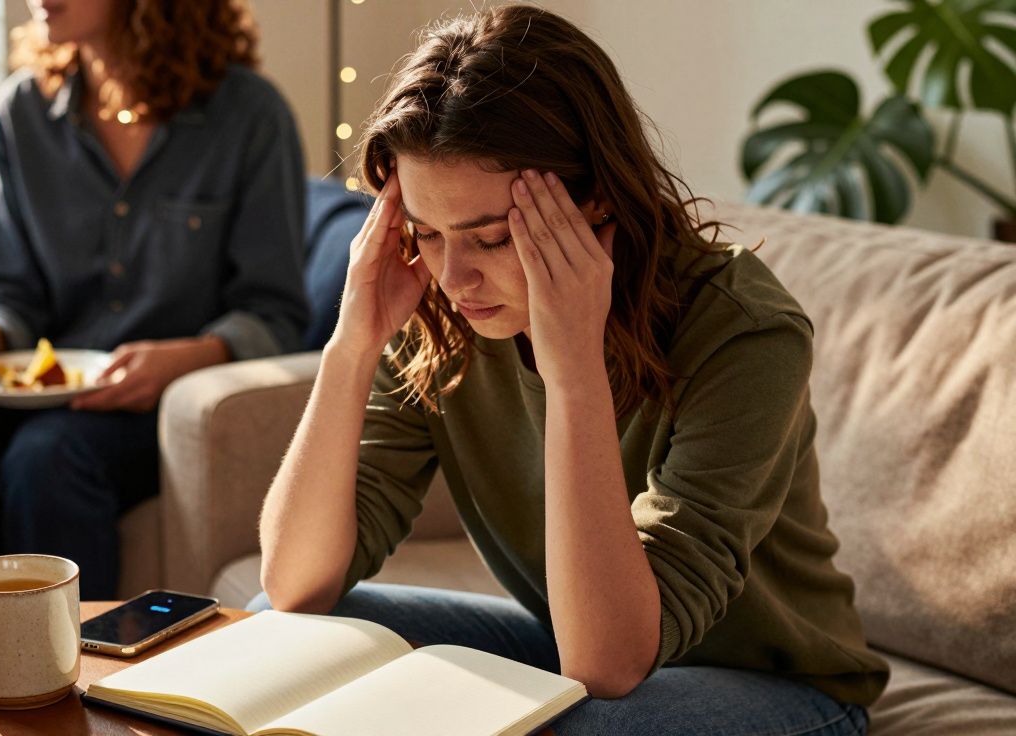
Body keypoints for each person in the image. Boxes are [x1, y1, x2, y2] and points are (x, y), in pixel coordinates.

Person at [254, 5, 887, 734]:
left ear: (597, 198)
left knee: (574, 727)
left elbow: (607, 664)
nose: (455, 277)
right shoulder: (447, 310)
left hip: (779, 687)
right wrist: (352, 344)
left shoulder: (745, 332)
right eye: (426, 233)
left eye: (490, 238)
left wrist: (574, 369)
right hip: (576, 645)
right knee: (292, 632)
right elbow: (296, 581)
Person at [0, 0, 308, 599]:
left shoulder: (249, 115)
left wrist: (189, 356)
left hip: (164, 403)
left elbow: (277, 314)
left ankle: (77, 679)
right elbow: (3, 290)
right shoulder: (22, 112)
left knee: (48, 458)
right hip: (38, 391)